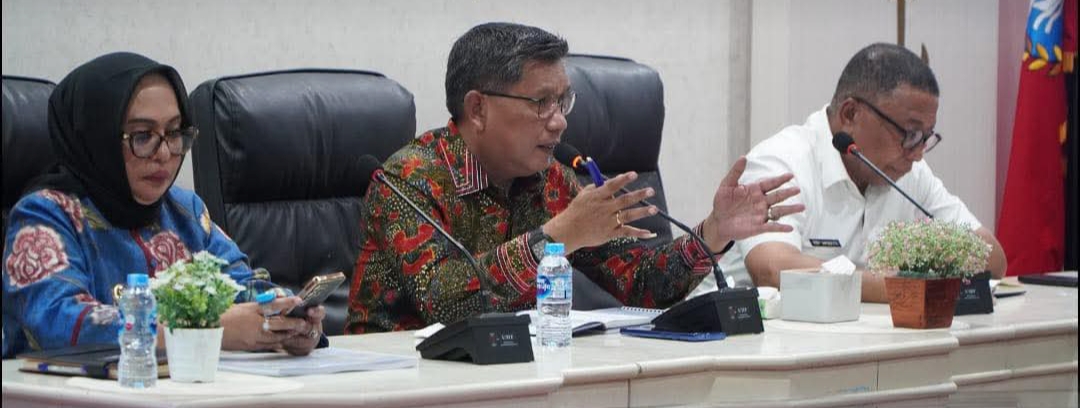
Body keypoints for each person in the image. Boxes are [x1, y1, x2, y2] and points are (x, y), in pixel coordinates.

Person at [346, 22, 803, 334]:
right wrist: (557, 237)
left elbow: (643, 285)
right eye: (541, 103)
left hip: (511, 374)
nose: (559, 121)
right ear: (478, 108)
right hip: (399, 380)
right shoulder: (407, 181)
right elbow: (447, 303)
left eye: (563, 102)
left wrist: (714, 232)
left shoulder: (553, 181)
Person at [2, 52, 325, 358]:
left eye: (174, 132)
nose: (165, 153)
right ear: (96, 138)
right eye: (143, 136)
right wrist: (210, 329)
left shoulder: (185, 211)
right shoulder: (45, 216)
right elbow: (61, 323)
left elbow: (243, 285)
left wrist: (286, 318)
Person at [689, 43, 1008, 302]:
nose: (918, 152)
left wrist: (923, 270)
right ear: (851, 114)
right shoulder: (781, 162)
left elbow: (992, 259)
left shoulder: (910, 172)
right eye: (909, 134)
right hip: (741, 346)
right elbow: (773, 270)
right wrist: (907, 288)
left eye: (926, 137)